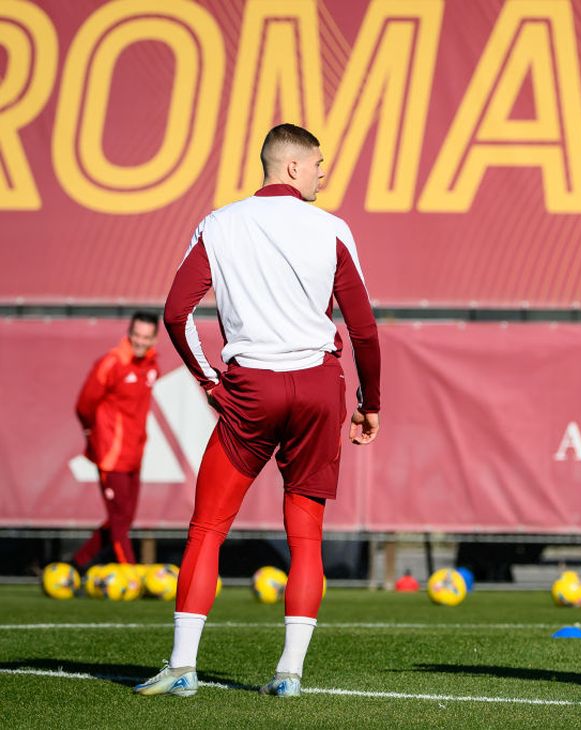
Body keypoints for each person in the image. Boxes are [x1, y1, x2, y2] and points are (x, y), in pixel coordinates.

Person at [135, 123, 382, 697]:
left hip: (250, 388)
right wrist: (372, 403)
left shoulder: (219, 223)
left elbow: (176, 314)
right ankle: (289, 674)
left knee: (207, 527)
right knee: (306, 538)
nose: (324, 172)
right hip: (320, 388)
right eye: (319, 163)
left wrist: (206, 379)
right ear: (293, 167)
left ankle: (182, 668)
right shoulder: (333, 229)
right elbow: (364, 331)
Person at [72, 312, 160, 569]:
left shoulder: (152, 365)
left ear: (154, 338)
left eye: (146, 337)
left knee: (122, 519)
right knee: (120, 519)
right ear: (129, 333)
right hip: (112, 455)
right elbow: (84, 405)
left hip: (135, 454)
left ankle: (77, 564)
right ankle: (130, 573)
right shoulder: (112, 363)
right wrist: (93, 435)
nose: (140, 341)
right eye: (136, 335)